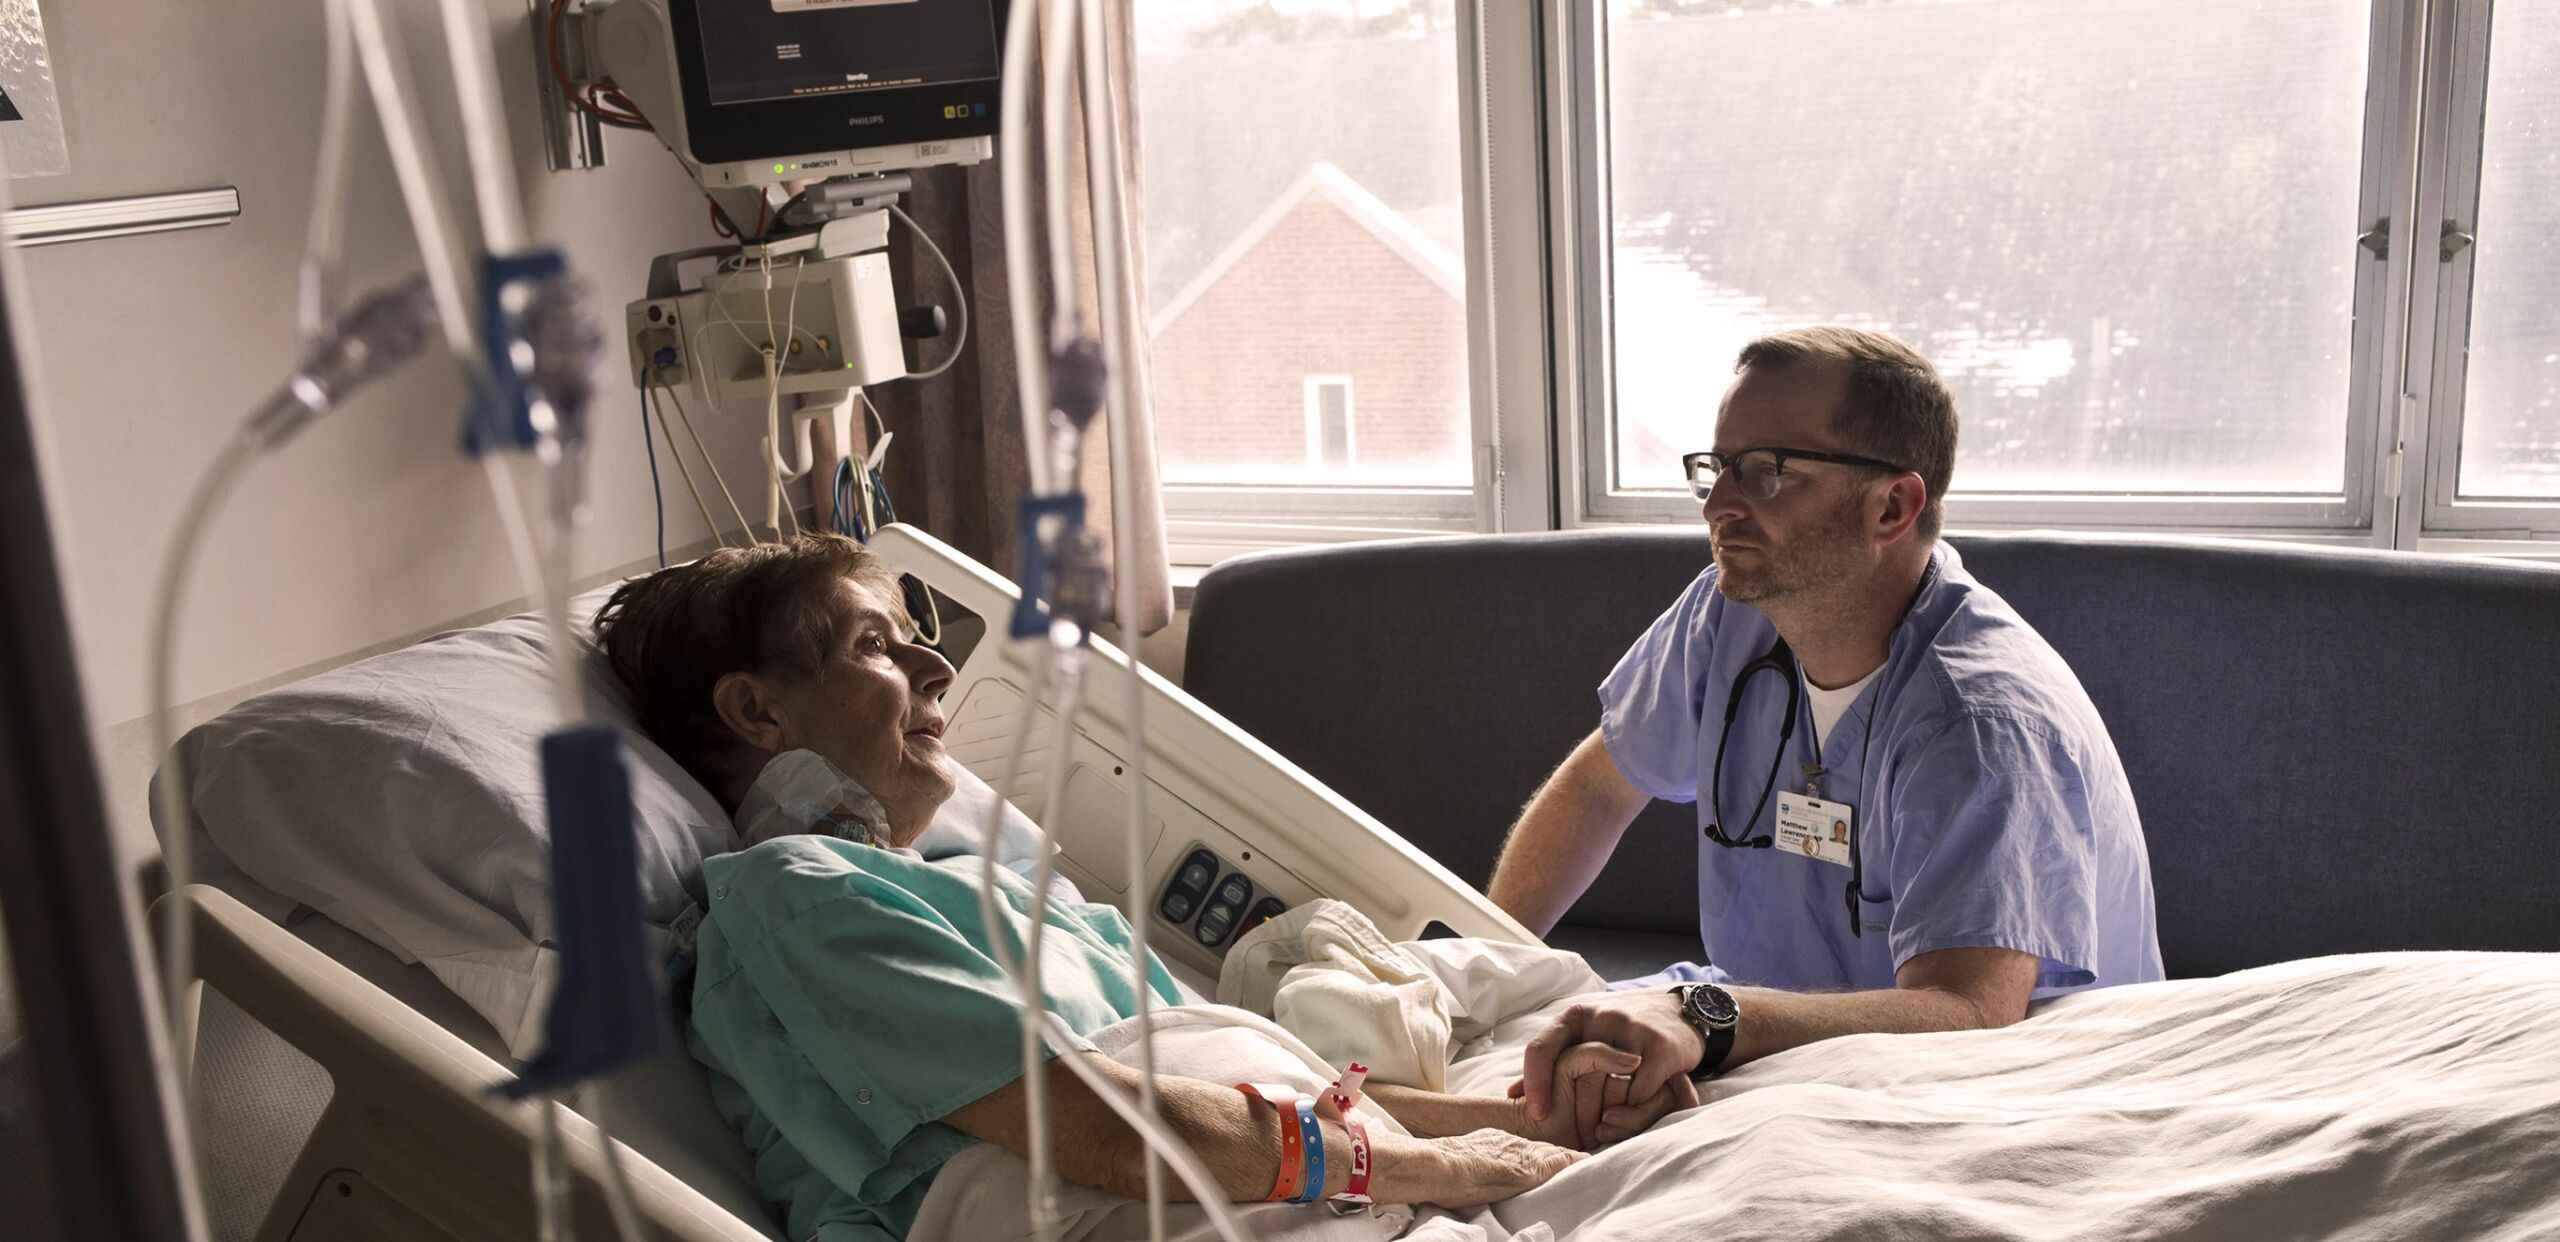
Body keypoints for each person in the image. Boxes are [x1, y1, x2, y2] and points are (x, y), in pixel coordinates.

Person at [594, 536, 1649, 1240]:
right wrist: (1443, 1170)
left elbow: (1269, 1097)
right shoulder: (787, 898)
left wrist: (1518, 1115)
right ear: (755, 714)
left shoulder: (994, 888)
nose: (936, 671)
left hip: (1295, 1185)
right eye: (876, 645)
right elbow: (1100, 1132)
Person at [1485, 326, 2163, 1143]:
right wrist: (1484, 968)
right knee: (1529, 1072)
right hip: (1772, 1041)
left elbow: (1969, 1012)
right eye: (1719, 467)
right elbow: (1598, 790)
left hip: (1990, 1094)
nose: (1718, 505)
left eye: (1768, 471)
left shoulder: (1981, 721)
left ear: (1892, 505)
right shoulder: (1727, 616)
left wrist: (1706, 1018)